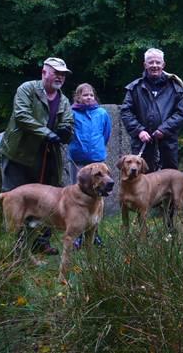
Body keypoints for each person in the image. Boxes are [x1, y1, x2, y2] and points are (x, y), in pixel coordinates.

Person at [0, 57, 75, 255]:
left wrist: (66, 130)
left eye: (63, 74)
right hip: (19, 154)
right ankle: (15, 246)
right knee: (16, 196)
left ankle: (41, 242)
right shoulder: (27, 89)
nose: (60, 77)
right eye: (56, 72)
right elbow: (22, 116)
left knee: (48, 199)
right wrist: (47, 133)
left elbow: (67, 122)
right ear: (44, 73)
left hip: (48, 156)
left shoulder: (64, 100)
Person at [121, 48, 183, 173]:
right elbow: (126, 112)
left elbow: (180, 113)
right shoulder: (135, 88)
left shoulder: (175, 88)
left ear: (163, 64)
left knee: (169, 179)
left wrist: (164, 129)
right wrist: (139, 130)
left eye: (158, 62)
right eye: (151, 62)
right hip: (142, 142)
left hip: (168, 142)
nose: (154, 65)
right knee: (142, 181)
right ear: (145, 65)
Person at [68, 83, 111, 248]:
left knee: (98, 198)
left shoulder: (101, 113)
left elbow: (106, 133)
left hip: (97, 158)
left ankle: (94, 234)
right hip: (78, 159)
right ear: (77, 97)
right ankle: (77, 234)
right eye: (85, 95)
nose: (89, 98)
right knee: (79, 196)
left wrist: (98, 148)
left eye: (91, 95)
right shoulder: (72, 113)